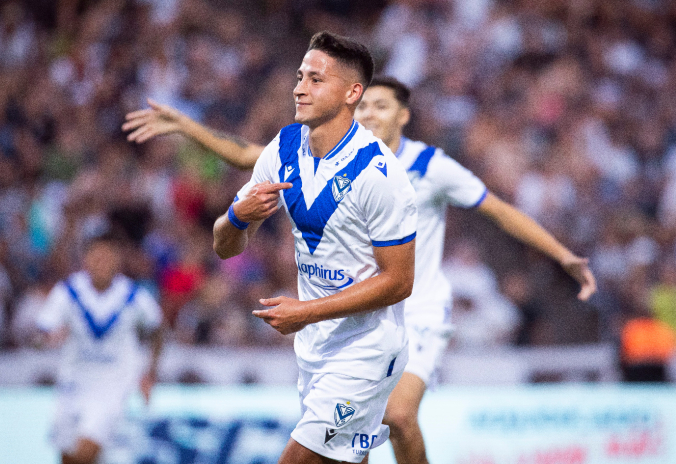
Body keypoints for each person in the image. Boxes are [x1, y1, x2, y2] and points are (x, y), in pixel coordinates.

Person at [124, 76, 596, 463]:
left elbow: (497, 210)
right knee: (354, 442)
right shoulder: (333, 158)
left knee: (398, 416)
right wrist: (187, 127)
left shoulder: (428, 165)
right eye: (364, 105)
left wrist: (561, 255)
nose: (370, 114)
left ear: (403, 116)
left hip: (417, 311)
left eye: (382, 106)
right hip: (354, 314)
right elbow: (249, 155)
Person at [220, 31, 417, 463]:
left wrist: (305, 311)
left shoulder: (379, 174)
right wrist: (237, 216)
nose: (299, 88)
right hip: (315, 349)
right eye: (300, 77)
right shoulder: (283, 148)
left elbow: (400, 282)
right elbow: (225, 247)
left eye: (315, 79)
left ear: (352, 93)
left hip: (367, 349)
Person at [37, 232, 164, 464]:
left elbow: (157, 328)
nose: (101, 263)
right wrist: (49, 337)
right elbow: (43, 329)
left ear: (117, 260)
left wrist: (150, 373)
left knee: (85, 451)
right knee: (67, 455)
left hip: (112, 384)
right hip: (73, 382)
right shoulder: (69, 291)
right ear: (85, 259)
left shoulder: (133, 295)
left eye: (107, 257)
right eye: (96, 257)